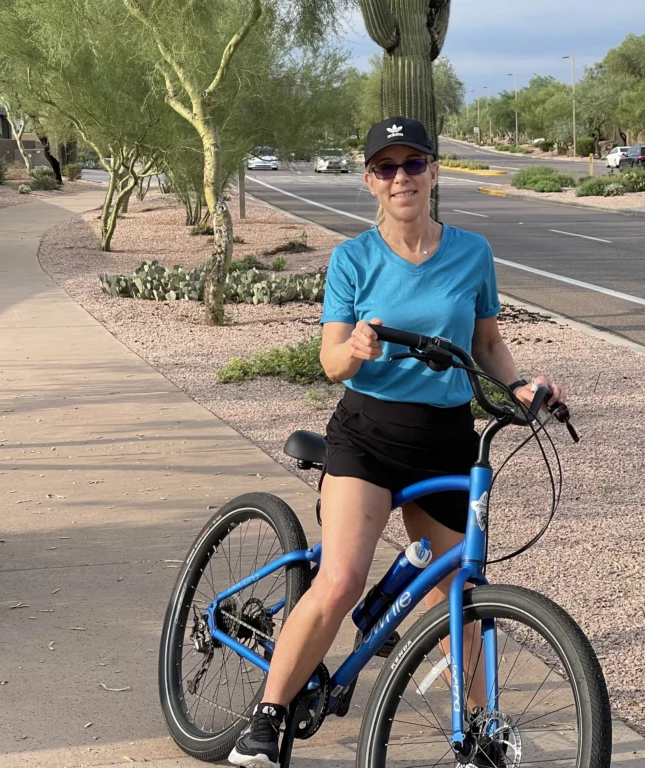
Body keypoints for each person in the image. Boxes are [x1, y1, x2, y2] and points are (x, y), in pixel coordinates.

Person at [230, 116, 565, 767]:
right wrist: (354, 348)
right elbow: (329, 360)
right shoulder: (353, 259)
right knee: (342, 579)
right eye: (387, 168)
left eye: (414, 164)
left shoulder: (473, 253)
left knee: (460, 598)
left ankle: (475, 733)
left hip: (446, 439)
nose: (402, 177)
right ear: (370, 183)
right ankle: (266, 719)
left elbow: (488, 342)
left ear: (435, 172)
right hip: (369, 437)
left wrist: (521, 389)